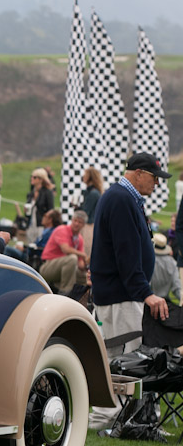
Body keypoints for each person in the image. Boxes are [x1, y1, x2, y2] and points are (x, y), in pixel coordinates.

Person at [91, 152, 170, 356]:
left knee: (122, 364)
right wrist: (145, 293)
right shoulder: (121, 200)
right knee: (125, 366)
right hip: (120, 298)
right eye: (154, 177)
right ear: (139, 173)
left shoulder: (123, 198)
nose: (157, 184)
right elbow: (126, 253)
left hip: (121, 295)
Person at [39, 210, 87, 294]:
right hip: (47, 267)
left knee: (85, 276)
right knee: (72, 259)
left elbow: (80, 265)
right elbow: (66, 249)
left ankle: (82, 296)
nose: (76, 223)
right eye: (75, 220)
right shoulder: (62, 230)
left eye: (80, 222)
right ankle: (65, 292)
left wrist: (87, 263)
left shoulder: (79, 238)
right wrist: (82, 254)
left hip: (64, 268)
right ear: (71, 220)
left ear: (83, 225)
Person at [77, 166, 103, 258]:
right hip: (89, 224)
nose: (83, 177)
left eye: (85, 175)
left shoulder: (93, 193)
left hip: (89, 225)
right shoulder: (92, 192)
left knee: (86, 250)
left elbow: (86, 211)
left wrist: (78, 209)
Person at [24, 168, 54, 244]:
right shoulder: (31, 193)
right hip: (30, 224)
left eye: (34, 177)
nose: (32, 179)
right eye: (31, 177)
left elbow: (51, 209)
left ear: (41, 179)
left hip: (41, 224)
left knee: (38, 244)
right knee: (30, 244)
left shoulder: (47, 192)